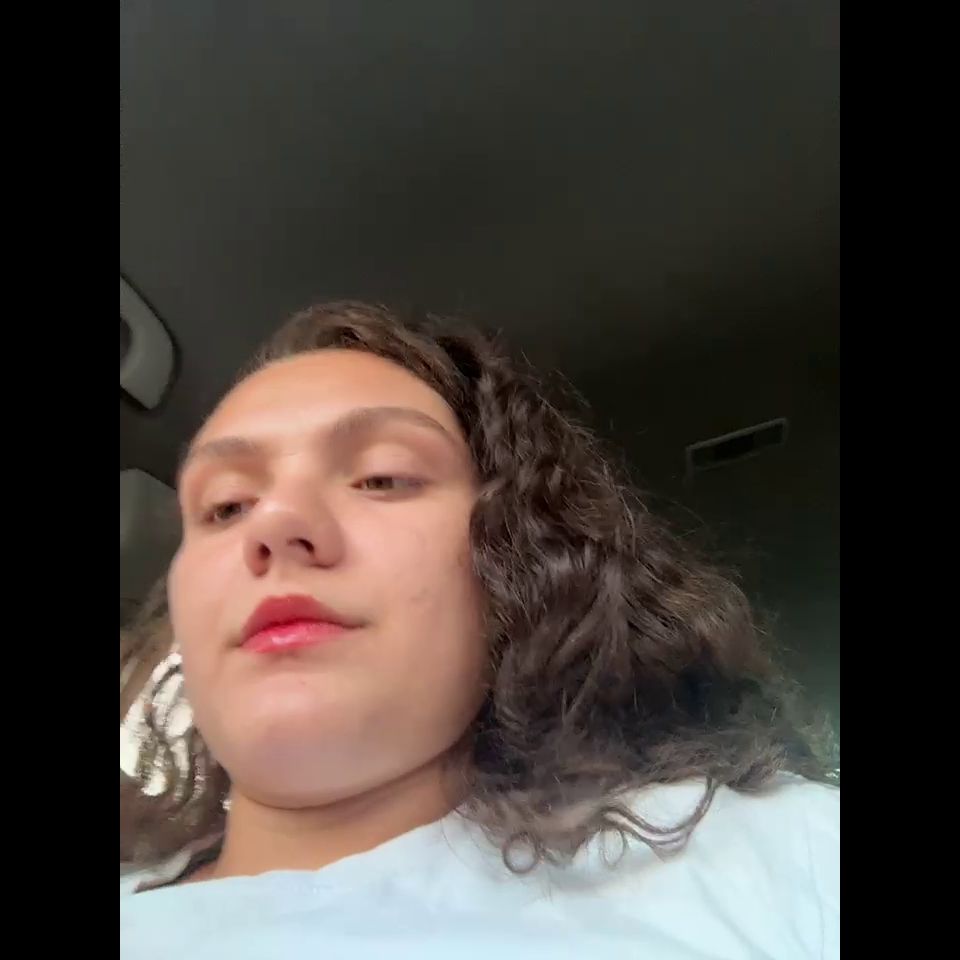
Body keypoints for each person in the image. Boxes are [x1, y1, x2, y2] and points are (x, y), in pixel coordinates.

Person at [120, 301, 839, 959]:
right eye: (225, 507)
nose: (274, 524)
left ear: (512, 557)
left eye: (382, 478)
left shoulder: (774, 858)